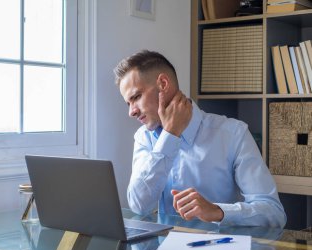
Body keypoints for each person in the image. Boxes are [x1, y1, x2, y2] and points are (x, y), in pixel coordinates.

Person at [113, 50, 286, 227]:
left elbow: (274, 213)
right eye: (128, 103)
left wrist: (218, 212)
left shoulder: (233, 133)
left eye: (136, 97)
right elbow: (139, 206)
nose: (131, 111)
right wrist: (170, 135)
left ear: (163, 84)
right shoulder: (144, 137)